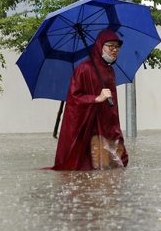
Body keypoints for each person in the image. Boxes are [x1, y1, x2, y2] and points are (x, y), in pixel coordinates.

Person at [52, 29, 129, 171]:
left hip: (112, 129)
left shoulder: (110, 70)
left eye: (117, 47)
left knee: (118, 170)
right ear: (100, 46)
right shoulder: (84, 69)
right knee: (101, 173)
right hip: (95, 130)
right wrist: (96, 98)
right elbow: (74, 98)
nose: (114, 50)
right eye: (110, 46)